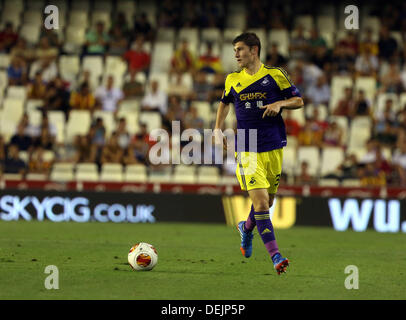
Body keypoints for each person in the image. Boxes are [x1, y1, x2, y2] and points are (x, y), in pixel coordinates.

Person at [214, 32, 304, 275]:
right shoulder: (232, 79)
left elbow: (299, 101)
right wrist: (217, 128)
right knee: (262, 202)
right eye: (235, 50)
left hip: (273, 146)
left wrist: (280, 104)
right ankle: (276, 256)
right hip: (247, 147)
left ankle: (246, 227)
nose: (236, 54)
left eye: (240, 49)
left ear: (254, 50)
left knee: (268, 202)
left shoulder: (276, 75)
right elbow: (224, 102)